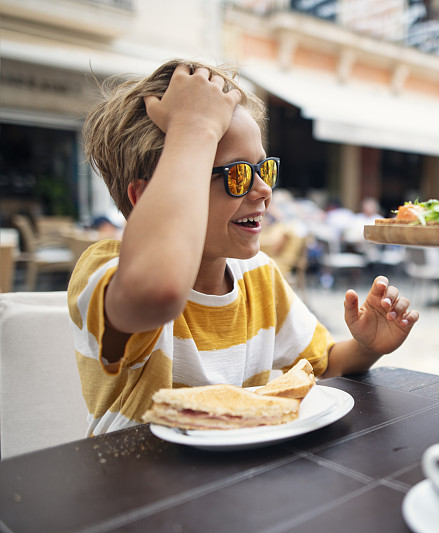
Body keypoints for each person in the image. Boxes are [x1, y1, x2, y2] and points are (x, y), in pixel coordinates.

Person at [70, 60, 419, 436]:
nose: (264, 190)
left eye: (263, 169)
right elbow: (158, 292)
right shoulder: (108, 273)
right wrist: (194, 128)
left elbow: (325, 361)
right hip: (137, 489)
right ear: (147, 197)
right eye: (236, 175)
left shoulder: (258, 276)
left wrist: (368, 346)